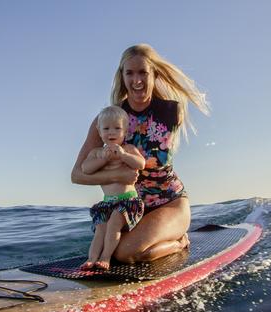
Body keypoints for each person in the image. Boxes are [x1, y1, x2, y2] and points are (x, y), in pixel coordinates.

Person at [71, 43, 210, 265]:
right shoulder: (108, 121)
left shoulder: (171, 112)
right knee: (108, 248)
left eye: (143, 72)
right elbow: (77, 175)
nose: (136, 80)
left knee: (124, 253)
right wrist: (116, 177)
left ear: (154, 74)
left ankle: (180, 242)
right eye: (130, 73)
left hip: (170, 203)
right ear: (122, 77)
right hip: (129, 209)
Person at [80, 106, 146, 271]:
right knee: (101, 228)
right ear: (99, 131)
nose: (112, 132)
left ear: (125, 131)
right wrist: (102, 160)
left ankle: (106, 257)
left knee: (114, 221)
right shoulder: (96, 153)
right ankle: (91, 259)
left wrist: (123, 155)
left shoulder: (129, 149)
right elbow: (85, 169)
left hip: (128, 201)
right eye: (106, 128)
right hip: (107, 203)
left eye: (117, 128)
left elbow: (141, 164)